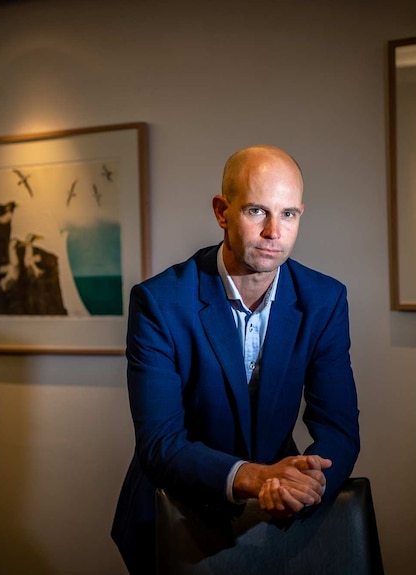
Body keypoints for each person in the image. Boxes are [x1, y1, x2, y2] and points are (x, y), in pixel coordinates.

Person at [111, 144, 360, 574]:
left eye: (288, 214)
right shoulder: (159, 301)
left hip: (279, 516)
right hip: (175, 515)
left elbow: (338, 428)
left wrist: (306, 483)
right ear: (222, 211)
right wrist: (255, 478)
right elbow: (160, 442)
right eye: (256, 212)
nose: (273, 233)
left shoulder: (325, 299)